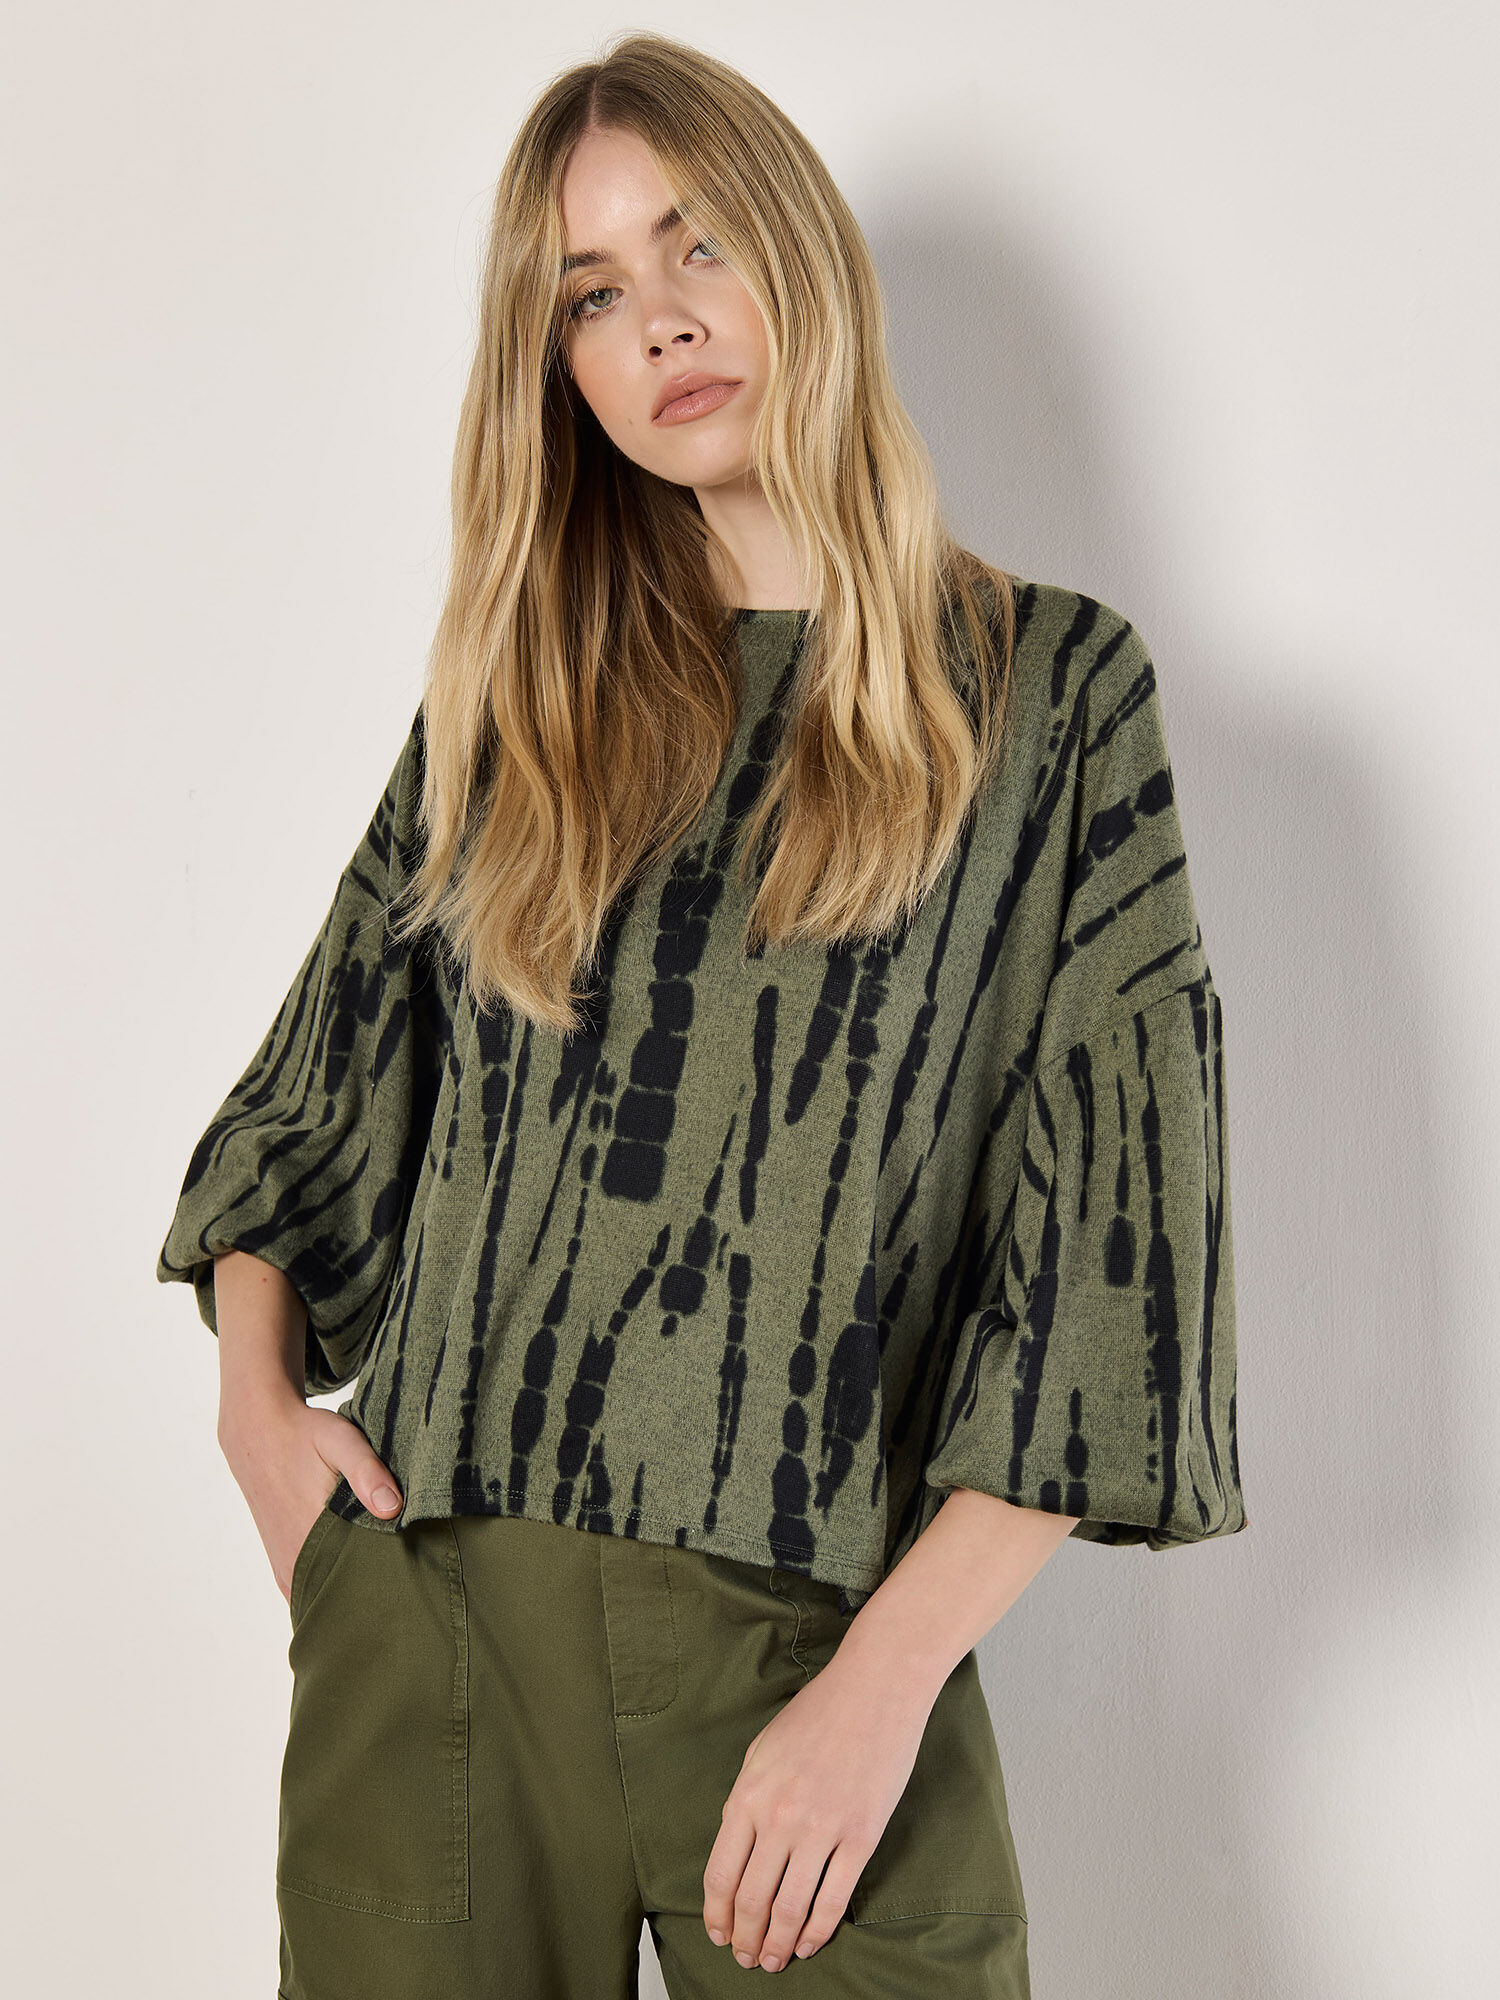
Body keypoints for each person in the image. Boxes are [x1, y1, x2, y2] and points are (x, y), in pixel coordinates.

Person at [156, 29, 1245, 2000]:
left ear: (800, 254)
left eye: (698, 245)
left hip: (819, 1641)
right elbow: (318, 1087)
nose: (658, 321)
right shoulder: (523, 700)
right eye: (589, 295)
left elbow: (1114, 1276)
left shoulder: (1055, 697)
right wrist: (257, 1413)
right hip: (444, 1629)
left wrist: (887, 1683)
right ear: (558, 369)